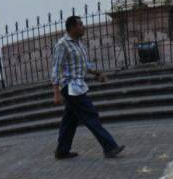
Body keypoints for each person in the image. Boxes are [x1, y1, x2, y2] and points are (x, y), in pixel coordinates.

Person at [51, 16, 125, 160]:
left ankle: (62, 151)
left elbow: (83, 65)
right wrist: (56, 92)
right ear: (72, 27)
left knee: (70, 119)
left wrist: (97, 73)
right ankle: (109, 147)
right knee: (90, 114)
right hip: (69, 86)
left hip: (78, 85)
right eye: (80, 25)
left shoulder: (78, 43)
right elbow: (56, 68)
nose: (83, 27)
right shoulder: (62, 44)